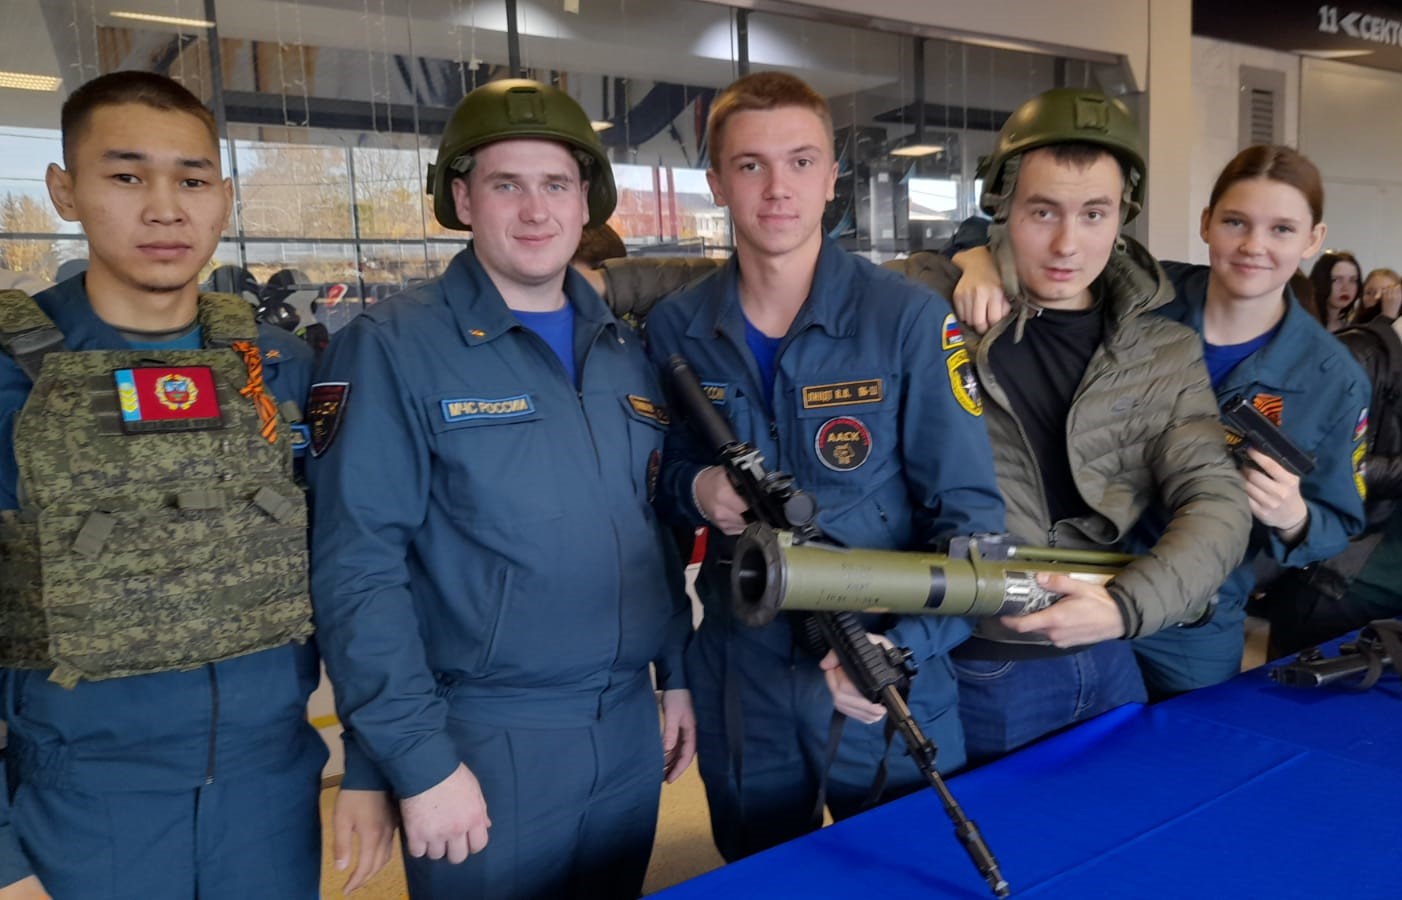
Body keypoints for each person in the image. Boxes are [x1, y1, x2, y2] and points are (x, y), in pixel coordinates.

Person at [307, 79, 695, 900]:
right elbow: (359, 572)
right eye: (505, 184)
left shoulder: (623, 351)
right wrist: (416, 761)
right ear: (462, 199)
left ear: (584, 200)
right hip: (485, 736)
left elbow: (647, 526)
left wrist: (677, 672)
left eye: (555, 184)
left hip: (627, 728)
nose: (535, 210)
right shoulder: (393, 348)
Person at [643, 72, 1006, 861]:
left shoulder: (907, 320)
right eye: (751, 165)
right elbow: (652, 495)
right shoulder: (675, 328)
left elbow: (974, 525)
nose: (778, 188)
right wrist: (695, 488)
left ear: (832, 177)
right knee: (763, 875)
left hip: (882, 674)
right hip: (745, 685)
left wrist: (900, 648)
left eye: (801, 162)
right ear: (717, 183)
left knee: (914, 874)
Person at [0, 71, 322, 900]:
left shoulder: (277, 366)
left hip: (270, 795)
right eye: (125, 176)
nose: (164, 210)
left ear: (224, 199)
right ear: (65, 191)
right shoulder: (9, 378)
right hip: (81, 810)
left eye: (192, 181)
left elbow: (349, 564)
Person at [950, 144, 1370, 695]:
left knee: (1184, 740)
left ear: (1313, 240)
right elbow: (1034, 237)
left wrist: (1293, 517)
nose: (1254, 246)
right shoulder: (1142, 295)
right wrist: (977, 260)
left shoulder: (1333, 377)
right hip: (1080, 574)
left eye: (1282, 230)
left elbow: (1341, 522)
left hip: (1196, 609)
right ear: (1206, 223)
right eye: (1236, 222)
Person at [912, 88, 1248, 760]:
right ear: (1002, 206)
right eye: (1043, 212)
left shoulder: (1164, 352)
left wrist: (1126, 607)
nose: (1068, 244)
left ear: (1121, 216)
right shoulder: (925, 314)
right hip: (975, 660)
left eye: (1094, 213)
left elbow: (1217, 502)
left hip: (1109, 649)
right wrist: (967, 258)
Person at [1258, 307, 1402, 654]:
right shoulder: (1355, 356)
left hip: (1372, 580)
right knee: (1292, 681)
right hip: (1333, 579)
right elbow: (1301, 459)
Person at [1308, 250, 1362, 332]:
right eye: (1337, 280)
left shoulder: (1350, 328)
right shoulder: (1305, 324)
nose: (1346, 288)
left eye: (1352, 280)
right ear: (1321, 280)